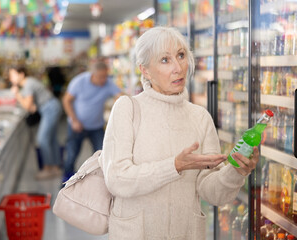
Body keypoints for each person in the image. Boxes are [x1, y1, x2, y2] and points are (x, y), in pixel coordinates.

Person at [99, 26, 259, 239]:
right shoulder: (127, 109)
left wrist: (236, 171)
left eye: (181, 56)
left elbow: (212, 193)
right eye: (165, 60)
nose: (178, 68)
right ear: (144, 70)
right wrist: (175, 165)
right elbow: (117, 179)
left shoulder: (200, 118)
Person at [62, 60, 122, 182]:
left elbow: (121, 97)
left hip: (96, 127)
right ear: (92, 75)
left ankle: (100, 182)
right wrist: (74, 120)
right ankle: (65, 184)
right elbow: (66, 100)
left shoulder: (108, 83)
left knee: (103, 155)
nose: (104, 80)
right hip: (77, 125)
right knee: (71, 155)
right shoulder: (79, 82)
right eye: (100, 77)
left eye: (106, 76)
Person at [9, 66, 63, 180]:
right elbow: (33, 108)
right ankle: (56, 168)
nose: (11, 78)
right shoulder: (29, 83)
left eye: (13, 75)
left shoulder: (28, 84)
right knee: (51, 139)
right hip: (51, 106)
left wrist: (17, 94)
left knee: (42, 139)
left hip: (50, 108)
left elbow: (28, 107)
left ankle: (48, 169)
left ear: (21, 74)